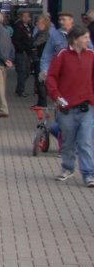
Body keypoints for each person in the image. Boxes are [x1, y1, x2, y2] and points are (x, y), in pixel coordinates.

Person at [45, 25, 94, 186]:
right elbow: (52, 77)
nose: (88, 40)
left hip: (86, 106)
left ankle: (89, 174)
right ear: (75, 39)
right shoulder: (62, 55)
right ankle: (67, 168)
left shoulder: (91, 55)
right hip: (67, 108)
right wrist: (56, 96)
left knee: (86, 141)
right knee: (67, 141)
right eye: (85, 37)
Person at [31, 13, 51, 108]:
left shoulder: (45, 33)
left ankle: (43, 102)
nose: (36, 24)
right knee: (38, 81)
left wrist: (32, 45)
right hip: (37, 58)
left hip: (41, 59)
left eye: (38, 22)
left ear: (44, 23)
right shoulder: (40, 32)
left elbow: (35, 43)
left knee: (40, 81)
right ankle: (40, 101)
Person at [12, 11, 33, 97]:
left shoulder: (29, 27)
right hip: (21, 53)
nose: (26, 18)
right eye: (24, 16)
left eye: (27, 16)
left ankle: (19, 88)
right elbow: (16, 40)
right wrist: (22, 49)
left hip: (27, 52)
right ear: (21, 17)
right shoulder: (18, 27)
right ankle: (20, 90)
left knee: (27, 72)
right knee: (22, 71)